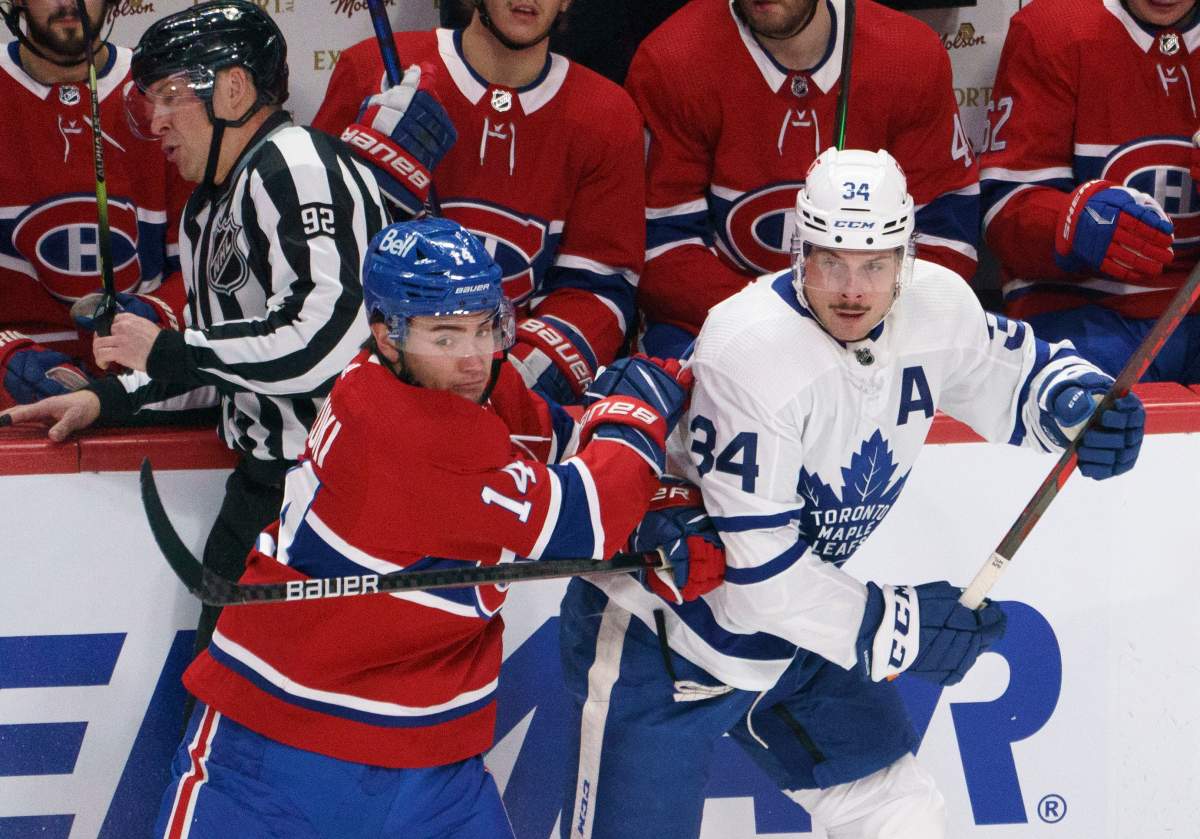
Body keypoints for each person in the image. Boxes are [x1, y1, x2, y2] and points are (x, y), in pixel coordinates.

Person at [558, 149, 1146, 839]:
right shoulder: (751, 349)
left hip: (798, 630)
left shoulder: (936, 305)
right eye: (831, 262)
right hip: (661, 636)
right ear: (799, 253)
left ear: (906, 258)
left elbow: (1016, 374)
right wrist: (900, 626)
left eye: (875, 265)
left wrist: (1080, 405)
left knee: (902, 815)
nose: (852, 289)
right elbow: (757, 577)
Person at [152, 217, 707, 838]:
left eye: (485, 327)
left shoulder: (457, 385)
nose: (473, 357)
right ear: (386, 336)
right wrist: (635, 414)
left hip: (435, 763)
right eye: (445, 335)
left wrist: (655, 482)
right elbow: (586, 520)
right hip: (278, 756)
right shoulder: (395, 432)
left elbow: (559, 440)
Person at [0, 0, 390, 665]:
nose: (154, 120)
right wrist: (106, 399)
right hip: (268, 487)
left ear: (233, 89)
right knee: (225, 692)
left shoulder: (296, 165)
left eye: (169, 97)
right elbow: (225, 366)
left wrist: (169, 349)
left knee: (285, 704)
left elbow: (332, 340)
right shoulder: (211, 205)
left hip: (345, 491)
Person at [311, 0, 645, 406]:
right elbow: (310, 252)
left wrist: (501, 386)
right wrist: (369, 186)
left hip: (506, 396)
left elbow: (596, 289)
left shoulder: (607, 116)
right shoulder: (373, 72)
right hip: (375, 382)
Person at [626, 0, 981, 357]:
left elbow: (944, 236)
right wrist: (777, 326)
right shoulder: (673, 59)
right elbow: (662, 249)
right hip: (717, 324)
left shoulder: (907, 55)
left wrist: (858, 325)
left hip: (876, 324)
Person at [981, 0, 1200, 382]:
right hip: (1080, 307)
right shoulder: (1051, 28)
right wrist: (1071, 225)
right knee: (1079, 401)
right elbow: (1004, 209)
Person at [0, 0, 190, 409]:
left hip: (144, 385)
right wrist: (4, 357)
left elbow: (208, 270)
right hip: (11, 393)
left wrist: (155, 313)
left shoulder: (168, 92)